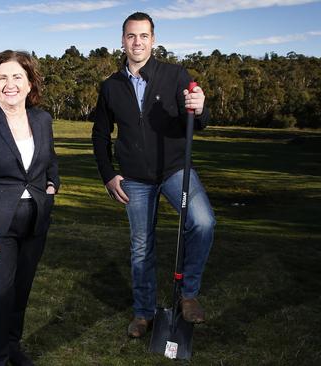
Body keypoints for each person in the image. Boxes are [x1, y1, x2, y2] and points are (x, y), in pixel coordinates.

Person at [91, 12, 216, 338]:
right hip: (134, 177)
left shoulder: (175, 75)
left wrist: (200, 107)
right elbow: (100, 134)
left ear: (153, 40)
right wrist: (108, 174)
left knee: (202, 223)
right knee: (141, 247)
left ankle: (188, 294)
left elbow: (199, 120)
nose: (137, 42)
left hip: (176, 170)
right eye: (131, 36)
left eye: (143, 36)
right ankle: (144, 313)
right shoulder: (111, 86)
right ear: (122, 40)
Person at [0, 50, 59, 366]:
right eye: (2, 77)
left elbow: (50, 159)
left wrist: (52, 185)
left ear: (30, 83)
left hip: (35, 223)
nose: (10, 84)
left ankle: (13, 347)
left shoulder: (42, 120)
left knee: (20, 293)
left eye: (17, 76)